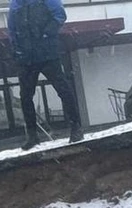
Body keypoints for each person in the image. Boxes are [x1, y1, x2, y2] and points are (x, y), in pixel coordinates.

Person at [7, 0, 83, 151]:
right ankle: (32, 136)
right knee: (25, 96)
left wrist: (46, 34)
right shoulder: (15, 4)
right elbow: (12, 29)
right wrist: (16, 49)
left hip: (47, 53)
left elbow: (60, 15)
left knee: (62, 88)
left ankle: (76, 127)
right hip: (26, 58)